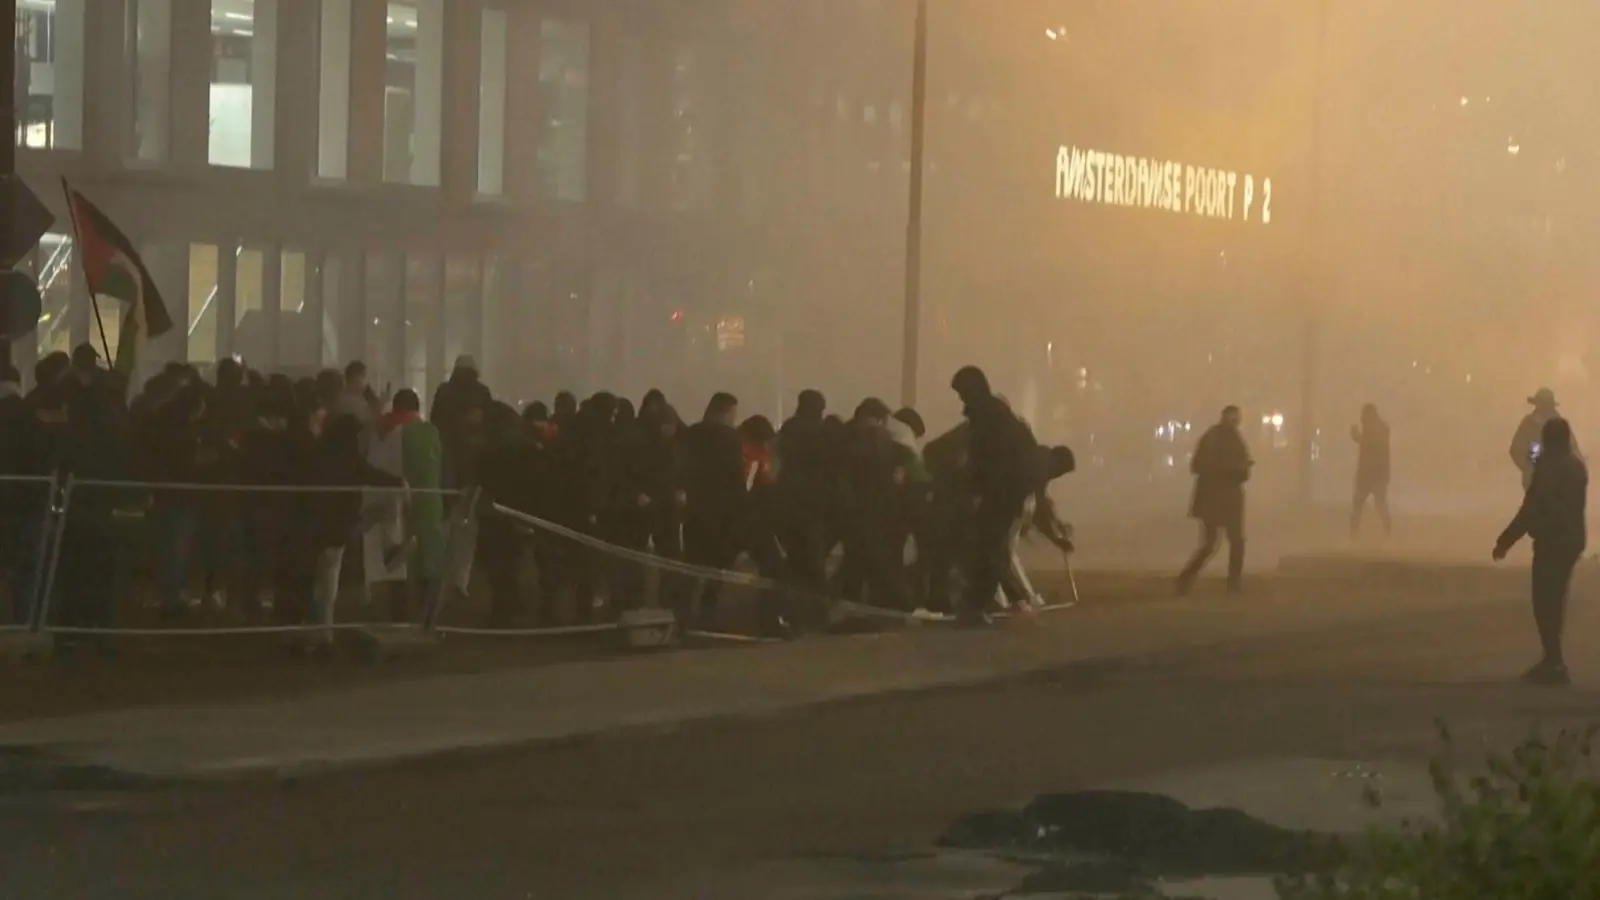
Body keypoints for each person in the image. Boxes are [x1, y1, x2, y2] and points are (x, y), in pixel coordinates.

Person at [1493, 416, 1587, 686]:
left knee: (1544, 601)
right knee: (1555, 599)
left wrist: (1506, 540)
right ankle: (1553, 660)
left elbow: (1531, 508)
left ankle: (1553, 661)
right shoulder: (1576, 466)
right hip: (1571, 541)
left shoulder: (1548, 466)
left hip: (1551, 541)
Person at [951, 366, 1040, 624]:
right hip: (1008, 490)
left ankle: (979, 607)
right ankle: (1000, 602)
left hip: (1000, 491)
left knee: (988, 548)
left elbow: (984, 459)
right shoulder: (999, 415)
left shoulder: (986, 417)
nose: (961, 398)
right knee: (992, 548)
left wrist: (975, 489)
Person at [1177, 405, 1252, 595]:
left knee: (1231, 541)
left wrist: (1240, 469)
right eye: (1232, 417)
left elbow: (1242, 470)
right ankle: (1188, 577)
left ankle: (1232, 583)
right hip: (1215, 497)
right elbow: (1199, 466)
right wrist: (1232, 469)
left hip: (1226, 498)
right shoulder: (1215, 438)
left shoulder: (1233, 438)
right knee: (1213, 543)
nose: (1235, 421)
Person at [1511, 388, 1572, 491]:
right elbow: (1516, 449)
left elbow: (1572, 448)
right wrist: (1528, 468)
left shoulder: (1559, 425)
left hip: (1557, 480)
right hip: (1535, 480)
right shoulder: (1529, 424)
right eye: (1542, 405)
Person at [1350, 403, 1392, 538]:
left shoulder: (1378, 430)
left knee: (1368, 505)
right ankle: (1354, 536)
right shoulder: (1378, 429)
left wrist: (1357, 437)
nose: (1361, 419)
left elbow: (1371, 444)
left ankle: (1386, 535)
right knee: (1368, 505)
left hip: (1373, 475)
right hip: (1371, 475)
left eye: (1363, 416)